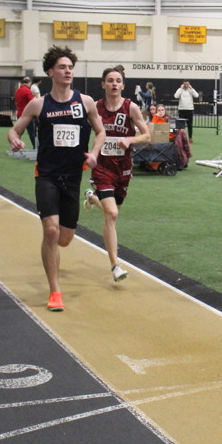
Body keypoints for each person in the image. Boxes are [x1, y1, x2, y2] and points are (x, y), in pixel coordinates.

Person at [8, 46, 106, 312]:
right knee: (51, 231)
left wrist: (94, 153)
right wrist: (15, 140)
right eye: (62, 67)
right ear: (50, 72)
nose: (68, 71)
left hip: (73, 177)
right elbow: (14, 131)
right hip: (47, 175)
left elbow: (100, 132)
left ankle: (57, 253)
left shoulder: (85, 102)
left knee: (64, 239)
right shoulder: (38, 104)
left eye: (70, 67)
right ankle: (55, 291)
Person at [82, 64, 151, 281]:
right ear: (103, 84)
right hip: (102, 167)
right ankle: (115, 266)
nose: (114, 84)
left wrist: (130, 139)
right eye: (110, 80)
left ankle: (92, 198)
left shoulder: (131, 107)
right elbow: (82, 130)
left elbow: (147, 136)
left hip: (123, 168)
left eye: (118, 81)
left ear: (123, 85)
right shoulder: (95, 107)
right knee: (111, 214)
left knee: (113, 212)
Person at [14, 76, 36, 149]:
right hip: (27, 115)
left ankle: (15, 146)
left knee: (18, 132)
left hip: (19, 114)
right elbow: (33, 102)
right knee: (32, 132)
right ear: (29, 82)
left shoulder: (18, 91)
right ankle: (36, 147)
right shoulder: (27, 91)